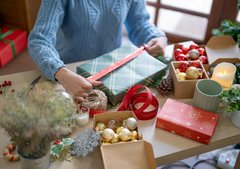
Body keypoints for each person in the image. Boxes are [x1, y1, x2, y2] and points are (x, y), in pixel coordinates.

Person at [28, 0, 167, 101]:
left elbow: (139, 23)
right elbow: (39, 40)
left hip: (113, 70)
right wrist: (61, 73)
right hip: (70, 73)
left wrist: (156, 37)